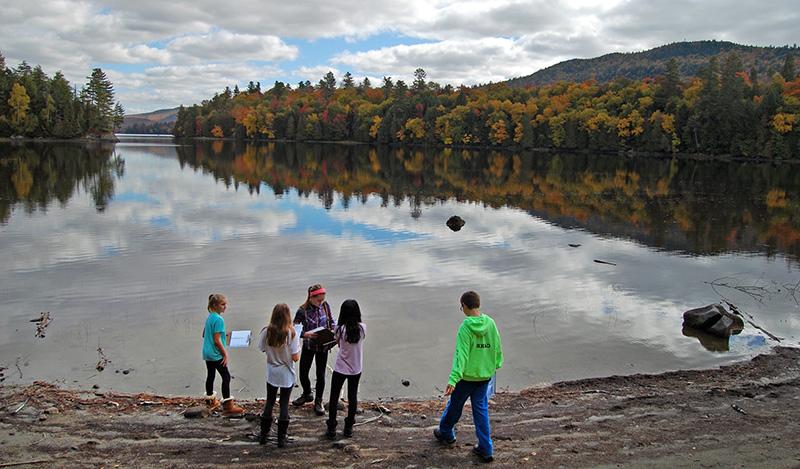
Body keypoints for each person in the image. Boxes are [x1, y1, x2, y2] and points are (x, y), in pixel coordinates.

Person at [434, 291, 503, 463]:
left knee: (455, 406)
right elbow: (497, 346)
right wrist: (496, 364)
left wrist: (453, 379)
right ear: (478, 305)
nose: (461, 309)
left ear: (464, 306)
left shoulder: (465, 328)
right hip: (485, 376)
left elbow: (461, 355)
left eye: (461, 306)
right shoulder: (491, 323)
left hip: (466, 378)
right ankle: (486, 448)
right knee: (480, 410)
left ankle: (446, 433)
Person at [257, 303, 301, 447]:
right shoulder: (291, 333)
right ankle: (281, 438)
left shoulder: (266, 331)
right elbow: (295, 358)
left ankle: (264, 434)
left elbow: (262, 348)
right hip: (286, 372)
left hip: (272, 370)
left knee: (269, 401)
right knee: (283, 404)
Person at [292, 284, 335, 415]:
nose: (321, 302)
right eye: (319, 300)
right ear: (311, 297)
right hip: (309, 345)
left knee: (320, 374)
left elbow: (331, 321)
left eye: (322, 299)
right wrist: (305, 334)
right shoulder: (302, 311)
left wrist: (334, 330)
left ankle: (318, 400)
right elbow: (293, 329)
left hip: (323, 345)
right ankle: (307, 393)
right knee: (303, 372)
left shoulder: (326, 306)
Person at [325, 299, 366, 439]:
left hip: (341, 367)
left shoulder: (339, 329)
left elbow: (338, 342)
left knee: (334, 396)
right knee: (352, 397)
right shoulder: (362, 328)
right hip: (356, 368)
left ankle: (331, 427)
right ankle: (348, 427)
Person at [202, 293, 244, 416]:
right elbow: (216, 340)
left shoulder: (210, 317)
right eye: (223, 304)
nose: (225, 306)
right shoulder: (219, 319)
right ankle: (228, 407)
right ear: (215, 305)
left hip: (207, 352)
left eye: (226, 304)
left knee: (211, 375)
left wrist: (223, 334)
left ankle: (210, 401)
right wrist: (225, 354)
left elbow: (205, 335)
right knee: (226, 376)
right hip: (215, 353)